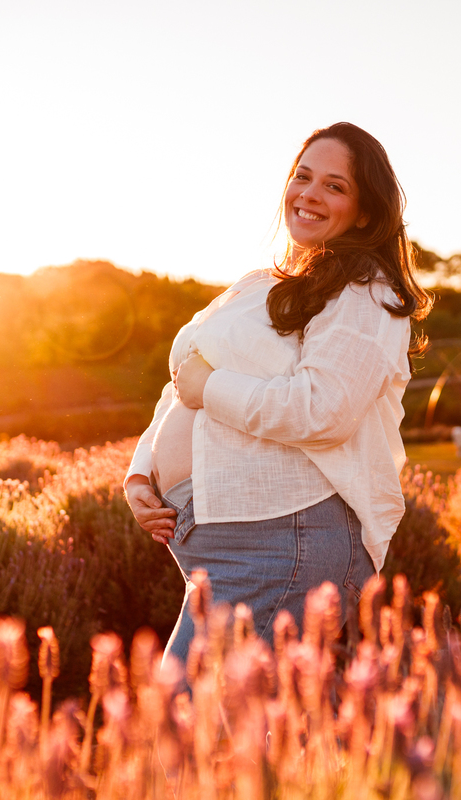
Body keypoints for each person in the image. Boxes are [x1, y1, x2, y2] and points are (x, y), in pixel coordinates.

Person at [123, 122, 432, 665]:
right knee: (226, 736)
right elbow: (180, 385)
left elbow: (322, 410)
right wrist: (141, 473)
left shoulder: (366, 292)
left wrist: (210, 386)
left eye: (335, 186)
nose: (309, 193)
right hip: (230, 544)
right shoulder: (260, 284)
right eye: (303, 176)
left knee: (184, 730)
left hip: (285, 540)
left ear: (364, 211)